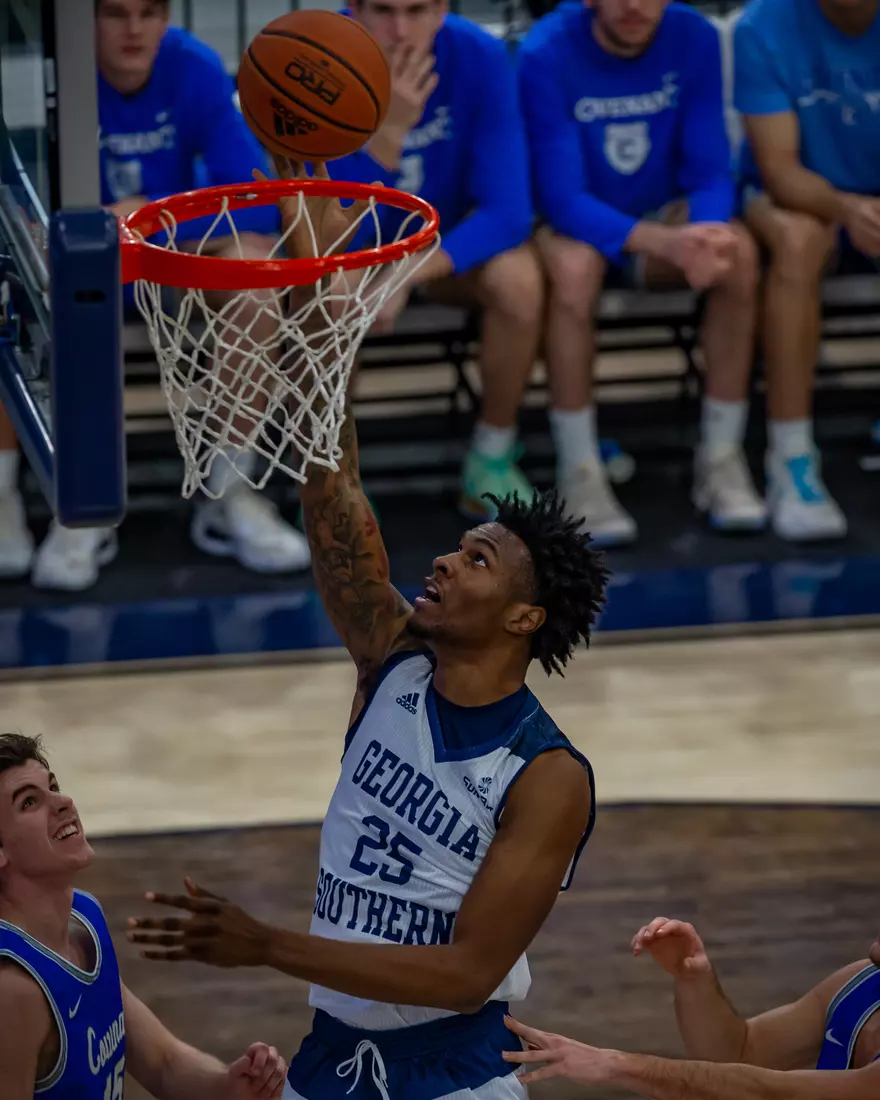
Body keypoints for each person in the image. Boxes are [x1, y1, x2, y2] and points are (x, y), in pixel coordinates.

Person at [126, 157, 605, 1100]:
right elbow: (330, 469)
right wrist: (304, 213)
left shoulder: (547, 775)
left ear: (525, 616)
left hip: (455, 1074)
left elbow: (466, 974)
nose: (445, 561)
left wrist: (267, 945)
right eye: (457, 547)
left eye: (477, 560)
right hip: (328, 1058)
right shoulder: (391, 658)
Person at [11, 0, 310, 591]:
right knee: (57, 285)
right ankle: (75, 507)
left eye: (148, 12)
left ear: (167, 16)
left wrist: (144, 217)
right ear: (82, 19)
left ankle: (231, 495)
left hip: (168, 261)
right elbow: (23, 214)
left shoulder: (193, 66)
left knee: (253, 277)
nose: (133, 29)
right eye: (115, 13)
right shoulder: (49, 70)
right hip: (80, 274)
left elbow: (257, 204)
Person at [519, 0, 764, 545]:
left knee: (737, 254)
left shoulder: (695, 36)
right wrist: (666, 241)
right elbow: (562, 199)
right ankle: (580, 470)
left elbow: (710, 170)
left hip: (661, 220)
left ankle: (721, 459)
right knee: (574, 269)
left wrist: (706, 235)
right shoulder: (545, 51)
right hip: (578, 226)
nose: (634, 5)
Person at [329, 0, 540, 521]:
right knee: (333, 295)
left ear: (442, 8)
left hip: (442, 250)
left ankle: (491, 457)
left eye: (417, 9)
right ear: (354, 8)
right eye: (383, 10)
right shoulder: (318, 60)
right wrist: (388, 132)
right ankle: (331, 481)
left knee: (519, 280)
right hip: (352, 251)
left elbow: (509, 211)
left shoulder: (480, 57)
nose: (401, 30)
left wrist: (405, 272)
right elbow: (324, 229)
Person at [0, 732, 288, 1099]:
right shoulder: (13, 990)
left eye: (53, 786)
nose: (63, 802)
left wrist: (229, 1083)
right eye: (29, 802)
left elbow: (163, 1062)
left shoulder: (84, 917)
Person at [734, 0, 879, 542]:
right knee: (798, 243)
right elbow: (780, 170)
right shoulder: (761, 27)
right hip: (796, 196)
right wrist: (848, 209)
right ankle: (791, 457)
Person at [501, 916, 880, 1096]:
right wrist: (694, 980)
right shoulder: (860, 981)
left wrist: (618, 1065)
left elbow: (770, 1094)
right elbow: (740, 1052)